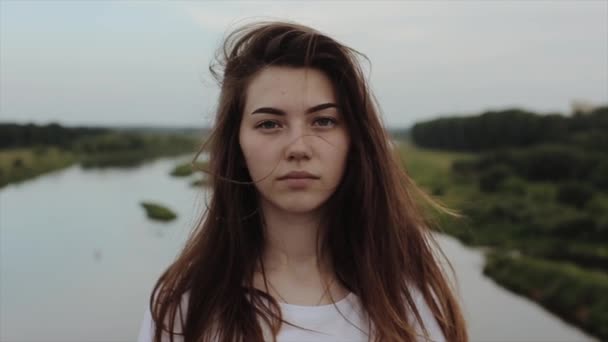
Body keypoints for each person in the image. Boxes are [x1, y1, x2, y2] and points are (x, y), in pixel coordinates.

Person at [138, 20, 468, 342]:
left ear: (353, 140)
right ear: (236, 145)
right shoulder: (186, 307)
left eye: (323, 121)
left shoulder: (409, 300)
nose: (299, 147)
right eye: (269, 124)